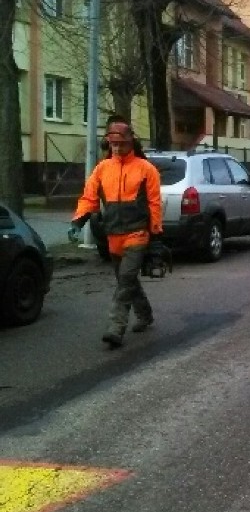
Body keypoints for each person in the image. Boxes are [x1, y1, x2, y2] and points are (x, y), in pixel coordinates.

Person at [68, 121, 163, 348]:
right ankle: (145, 315)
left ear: (130, 143)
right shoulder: (102, 169)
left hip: (137, 233)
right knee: (125, 279)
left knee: (126, 280)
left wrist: (156, 235)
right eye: (113, 145)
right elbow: (89, 198)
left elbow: (154, 204)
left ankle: (115, 328)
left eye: (121, 144)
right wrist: (78, 221)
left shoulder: (145, 169)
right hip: (113, 235)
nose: (117, 149)